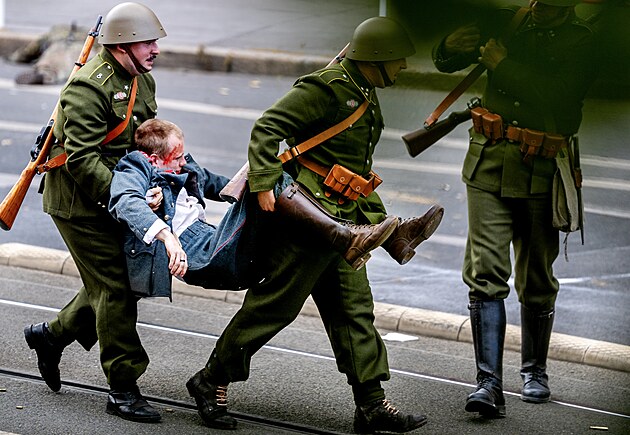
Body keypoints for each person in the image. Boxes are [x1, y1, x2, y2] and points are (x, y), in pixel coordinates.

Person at [185, 17, 443, 433]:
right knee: (274, 308)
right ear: (375, 58)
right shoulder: (327, 88)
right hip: (308, 219)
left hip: (345, 224)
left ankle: (371, 405)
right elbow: (267, 128)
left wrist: (372, 216)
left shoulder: (363, 88)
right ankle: (210, 379)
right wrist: (264, 185)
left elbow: (353, 168)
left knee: (354, 310)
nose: (404, 67)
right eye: (398, 59)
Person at [432, 0, 597, 418]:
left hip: (543, 171)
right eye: (538, 1)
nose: (540, 9)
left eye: (551, 6)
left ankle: (534, 371)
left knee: (536, 276)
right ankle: (488, 383)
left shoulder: (583, 42)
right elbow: (449, 61)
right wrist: (448, 47)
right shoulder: (511, 22)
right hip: (488, 164)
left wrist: (502, 65)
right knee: (485, 272)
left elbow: (559, 98)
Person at [23, 2, 167, 423]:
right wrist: (129, 201)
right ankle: (122, 386)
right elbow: (82, 160)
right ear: (122, 45)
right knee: (116, 289)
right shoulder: (87, 88)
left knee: (114, 283)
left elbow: (141, 140)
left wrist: (161, 172)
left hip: (117, 196)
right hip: (79, 205)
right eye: (147, 42)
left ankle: (51, 337)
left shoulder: (141, 80)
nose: (156, 49)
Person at [109, 118, 398, 297]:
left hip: (210, 238)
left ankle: (355, 235)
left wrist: (251, 183)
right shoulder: (137, 166)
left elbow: (220, 186)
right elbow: (127, 201)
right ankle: (345, 235)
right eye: (177, 158)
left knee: (271, 175)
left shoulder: (184, 166)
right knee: (269, 176)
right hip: (198, 254)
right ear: (153, 160)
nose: (184, 162)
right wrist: (167, 237)